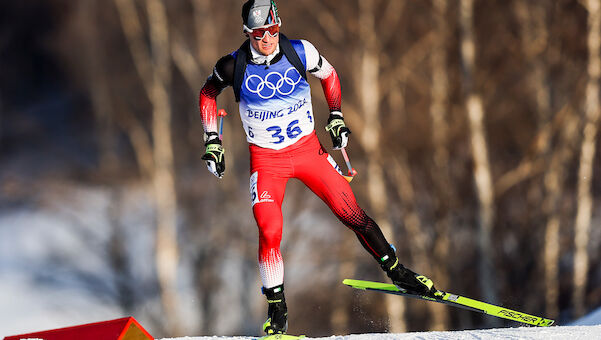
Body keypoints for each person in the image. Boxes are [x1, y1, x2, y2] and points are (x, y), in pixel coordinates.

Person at [199, 0, 440, 335]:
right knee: (269, 231)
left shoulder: (300, 52)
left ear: (278, 25)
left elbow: (329, 75)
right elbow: (208, 93)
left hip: (308, 152)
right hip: (267, 163)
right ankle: (277, 310)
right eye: (258, 33)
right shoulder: (233, 66)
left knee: (353, 215)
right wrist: (213, 139)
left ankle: (399, 272)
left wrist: (336, 115)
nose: (266, 38)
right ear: (247, 33)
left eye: (271, 30)